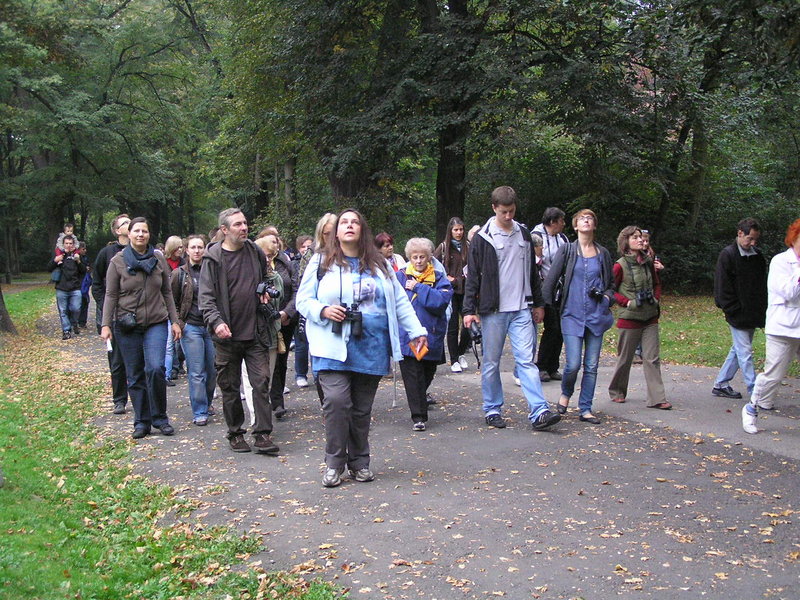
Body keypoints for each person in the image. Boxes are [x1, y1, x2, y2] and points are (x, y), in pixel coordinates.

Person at [296, 209, 427, 488]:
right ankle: (334, 463)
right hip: (331, 345)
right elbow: (303, 300)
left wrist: (416, 331)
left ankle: (359, 463)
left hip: (371, 346)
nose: (349, 226)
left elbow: (400, 301)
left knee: (360, 409)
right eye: (344, 222)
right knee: (336, 402)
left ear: (362, 229)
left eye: (354, 222)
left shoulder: (380, 264)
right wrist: (323, 310)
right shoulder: (321, 261)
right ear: (336, 231)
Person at [462, 186, 560, 432]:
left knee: (526, 361)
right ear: (494, 208)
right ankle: (492, 408)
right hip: (493, 310)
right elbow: (472, 276)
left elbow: (533, 273)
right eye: (503, 212)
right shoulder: (483, 238)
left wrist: (538, 303)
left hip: (521, 309)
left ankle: (539, 411)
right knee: (491, 362)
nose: (508, 216)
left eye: (512, 211)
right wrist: (468, 310)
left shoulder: (524, 234)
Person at [198, 208, 280, 455]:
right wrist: (217, 322)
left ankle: (263, 434)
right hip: (227, 336)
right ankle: (235, 433)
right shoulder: (213, 258)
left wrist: (264, 290)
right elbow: (206, 298)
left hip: (255, 331)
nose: (244, 228)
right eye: (237, 224)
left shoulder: (254, 251)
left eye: (245, 223)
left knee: (261, 382)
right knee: (230, 387)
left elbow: (265, 277)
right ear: (224, 230)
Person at [100, 217, 182, 439]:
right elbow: (111, 294)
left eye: (144, 231)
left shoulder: (158, 258)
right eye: (136, 231)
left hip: (156, 321)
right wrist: (106, 324)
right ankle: (142, 421)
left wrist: (175, 321)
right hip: (127, 324)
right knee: (135, 374)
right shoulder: (117, 261)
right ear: (128, 234)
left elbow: (167, 291)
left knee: (155, 369)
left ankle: (160, 418)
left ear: (149, 234)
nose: (140, 235)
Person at [542, 210, 615, 424]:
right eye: (582, 218)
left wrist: (607, 298)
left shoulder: (603, 253)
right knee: (573, 364)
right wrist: (545, 308)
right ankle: (566, 393)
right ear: (575, 226)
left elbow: (611, 285)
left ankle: (586, 408)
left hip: (596, 315)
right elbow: (551, 280)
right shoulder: (567, 250)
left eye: (590, 218)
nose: (586, 220)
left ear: (594, 225)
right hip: (571, 314)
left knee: (591, 365)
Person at [742, 218, 800, 434]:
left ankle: (763, 402)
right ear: (794, 238)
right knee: (773, 374)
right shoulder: (780, 262)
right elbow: (790, 294)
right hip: (783, 328)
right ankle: (751, 409)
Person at [606, 225, 672, 410]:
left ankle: (657, 398)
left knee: (652, 358)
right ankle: (617, 391)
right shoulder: (619, 265)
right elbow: (611, 290)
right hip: (629, 319)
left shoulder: (648, 262)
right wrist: (627, 303)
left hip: (650, 317)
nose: (640, 240)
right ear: (626, 242)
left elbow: (656, 284)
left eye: (640, 237)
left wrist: (655, 299)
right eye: (635, 237)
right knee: (625, 358)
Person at [397, 238, 453, 430]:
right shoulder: (400, 276)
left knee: (427, 372)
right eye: (415, 257)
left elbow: (440, 302)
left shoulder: (438, 278)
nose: (419, 261)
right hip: (407, 336)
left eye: (422, 257)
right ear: (409, 258)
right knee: (413, 376)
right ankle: (419, 417)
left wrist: (418, 287)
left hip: (431, 335)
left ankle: (419, 401)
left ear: (429, 257)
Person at [711, 218, 767, 400]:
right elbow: (722, 287)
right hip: (737, 313)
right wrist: (732, 309)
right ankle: (755, 391)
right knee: (745, 352)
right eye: (750, 239)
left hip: (753, 312)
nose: (753, 243)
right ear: (740, 233)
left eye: (755, 239)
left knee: (739, 349)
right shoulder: (727, 255)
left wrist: (762, 308)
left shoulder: (758, 256)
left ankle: (721, 384)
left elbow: (761, 285)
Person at [171, 235, 216, 426]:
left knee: (212, 370)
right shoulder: (179, 274)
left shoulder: (212, 271)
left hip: (211, 326)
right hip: (191, 326)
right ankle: (200, 410)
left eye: (200, 247)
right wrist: (178, 323)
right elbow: (172, 301)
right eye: (193, 247)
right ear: (187, 250)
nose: (197, 251)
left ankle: (207, 401)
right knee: (197, 371)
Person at [295, 213, 337, 396]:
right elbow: (302, 289)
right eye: (326, 233)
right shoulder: (314, 257)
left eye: (333, 232)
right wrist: (321, 310)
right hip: (319, 318)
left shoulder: (357, 256)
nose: (331, 238)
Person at [93, 214, 131, 414]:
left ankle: (143, 399)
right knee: (116, 360)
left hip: (139, 314)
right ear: (117, 231)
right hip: (115, 316)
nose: (130, 225)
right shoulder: (106, 253)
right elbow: (97, 283)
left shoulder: (143, 251)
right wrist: (105, 306)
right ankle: (119, 399)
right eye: (125, 223)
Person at [256, 232, 297, 419]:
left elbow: (296, 288)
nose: (276, 243)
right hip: (262, 322)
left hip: (285, 318)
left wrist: (287, 312)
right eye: (272, 240)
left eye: (277, 240)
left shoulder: (285, 262)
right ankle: (263, 404)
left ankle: (277, 400)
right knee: (263, 364)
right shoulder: (254, 264)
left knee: (281, 360)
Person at [533, 207, 569, 382]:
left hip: (560, 290)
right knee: (552, 327)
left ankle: (553, 366)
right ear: (553, 222)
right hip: (544, 288)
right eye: (561, 220)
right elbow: (533, 263)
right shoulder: (536, 236)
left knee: (560, 328)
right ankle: (541, 366)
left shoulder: (562, 239)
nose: (564, 224)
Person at [434, 217, 471, 373]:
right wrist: (446, 278)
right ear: (450, 231)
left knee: (469, 325)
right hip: (451, 291)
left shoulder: (468, 246)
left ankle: (461, 352)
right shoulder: (444, 247)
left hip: (467, 289)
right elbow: (433, 265)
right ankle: (454, 359)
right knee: (453, 325)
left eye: (461, 229)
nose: (459, 232)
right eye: (456, 230)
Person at [47, 234, 86, 340]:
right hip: (61, 288)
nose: (68, 245)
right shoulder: (59, 255)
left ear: (74, 244)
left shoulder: (77, 255)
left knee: (76, 308)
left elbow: (84, 270)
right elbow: (49, 268)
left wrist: (78, 261)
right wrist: (55, 261)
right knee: (63, 310)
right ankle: (66, 330)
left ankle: (74, 322)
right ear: (63, 244)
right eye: (66, 243)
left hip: (75, 287)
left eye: (70, 243)